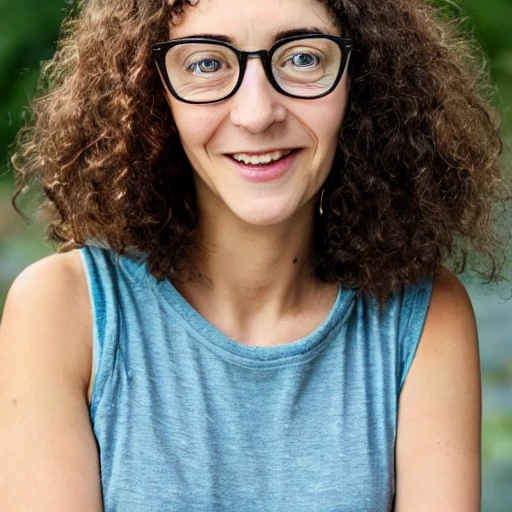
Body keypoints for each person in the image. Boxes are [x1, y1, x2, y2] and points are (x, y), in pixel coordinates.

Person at [0, 0, 506, 510]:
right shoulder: (63, 311)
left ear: (363, 78)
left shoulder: (423, 315)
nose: (257, 113)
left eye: (303, 58)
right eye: (206, 63)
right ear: (153, 92)